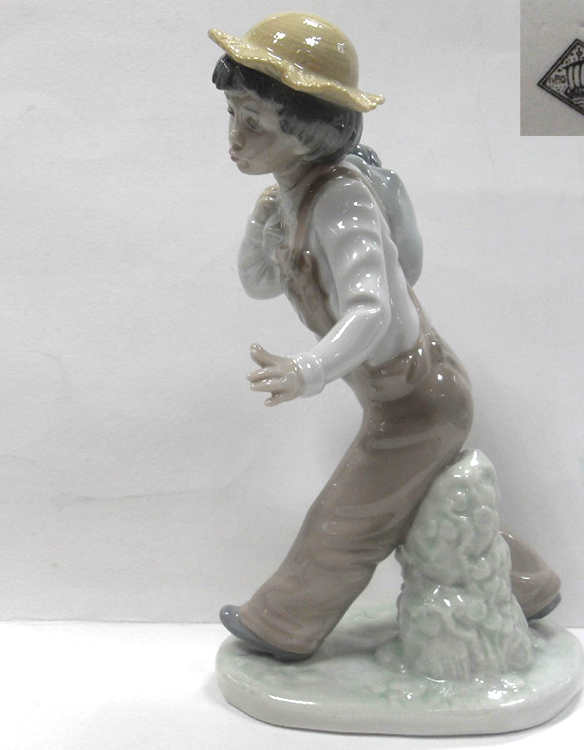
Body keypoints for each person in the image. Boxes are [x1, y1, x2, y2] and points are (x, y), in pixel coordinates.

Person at [209, 12, 560, 661]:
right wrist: (262, 223)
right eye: (232, 114)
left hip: (421, 396)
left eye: (253, 121)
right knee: (422, 504)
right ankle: (530, 586)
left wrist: (308, 371)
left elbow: (371, 310)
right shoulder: (292, 197)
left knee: (349, 516)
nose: (234, 136)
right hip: (394, 395)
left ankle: (283, 622)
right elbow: (257, 282)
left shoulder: (341, 200)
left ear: (306, 130)